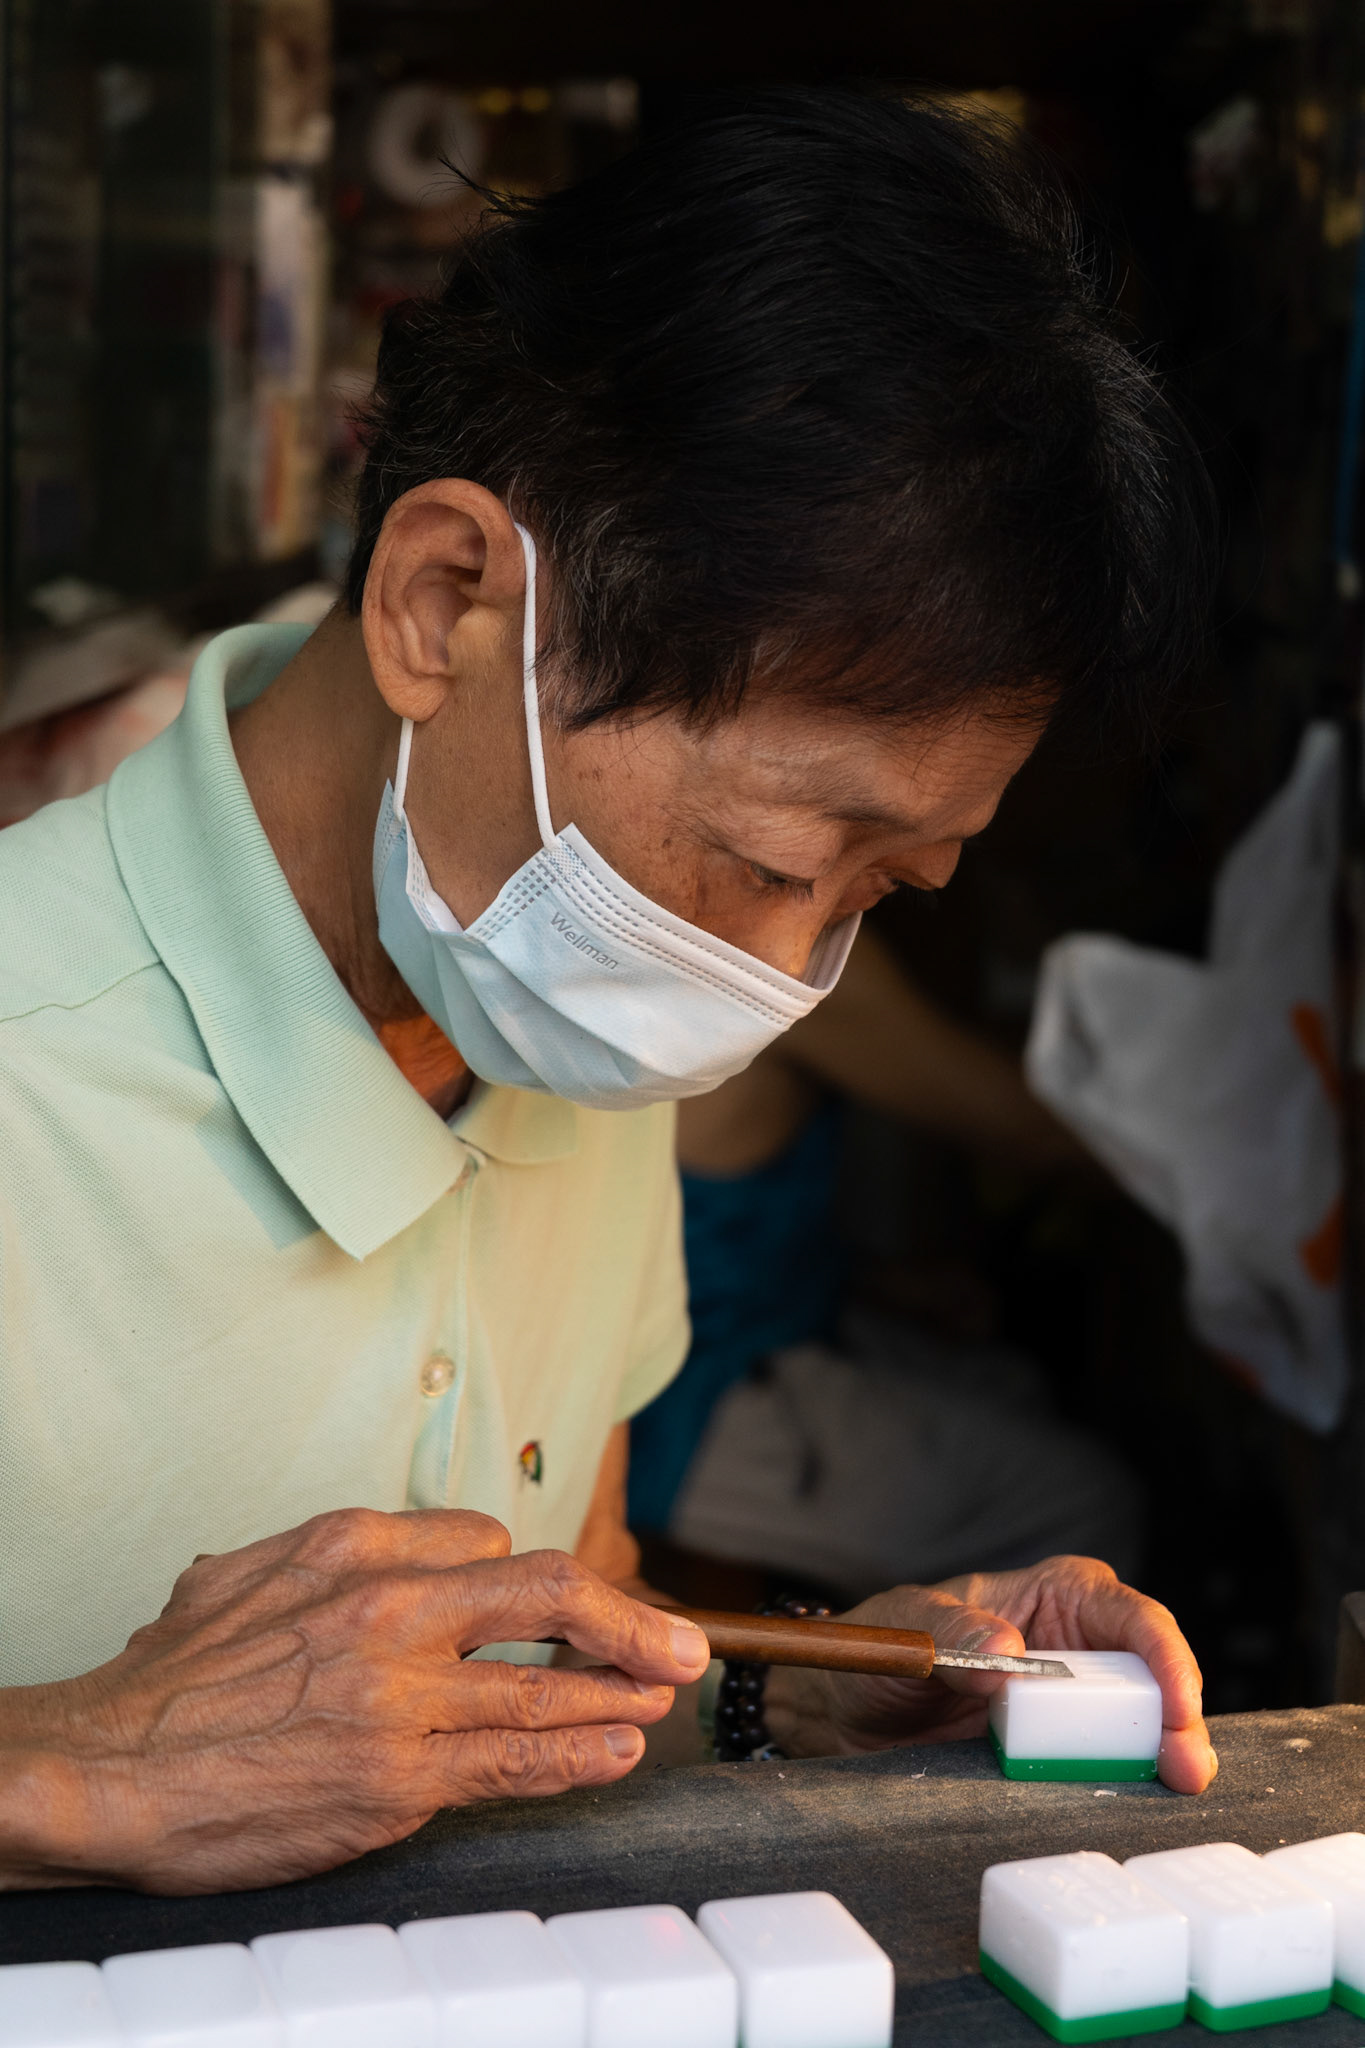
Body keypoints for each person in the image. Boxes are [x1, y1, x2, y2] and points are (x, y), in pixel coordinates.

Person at [0, 87, 1217, 1898]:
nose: (779, 968)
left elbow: (569, 1611)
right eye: (778, 854)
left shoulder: (544, 1013)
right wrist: (76, 1759)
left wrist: (816, 1690)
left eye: (880, 892)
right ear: (443, 604)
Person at [631, 925, 1144, 1597]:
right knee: (1080, 1501)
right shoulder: (772, 935)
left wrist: (871, 1280)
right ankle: (979, 1690)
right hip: (682, 1393)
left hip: (768, 1318)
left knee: (1008, 1385)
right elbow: (1026, 1129)